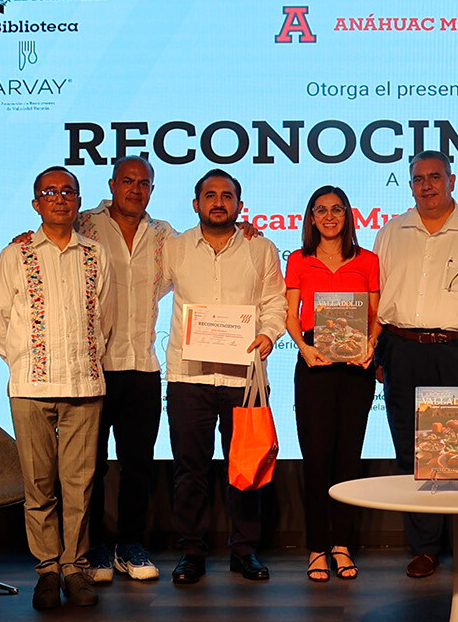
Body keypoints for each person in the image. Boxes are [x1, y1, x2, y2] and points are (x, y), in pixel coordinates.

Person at [0, 166, 112, 609]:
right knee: (39, 485)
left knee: (79, 486)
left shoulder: (96, 255)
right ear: (36, 203)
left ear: (79, 201)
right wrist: (29, 363)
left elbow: (105, 321)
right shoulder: (15, 255)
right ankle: (46, 570)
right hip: (30, 387)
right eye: (49, 192)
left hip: (84, 384)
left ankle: (75, 568)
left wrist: (81, 359)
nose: (60, 198)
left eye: (68, 191)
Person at [375, 150, 458, 579]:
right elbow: (380, 296)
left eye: (434, 177)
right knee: (414, 452)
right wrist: (379, 351)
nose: (426, 185)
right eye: (418, 179)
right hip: (404, 348)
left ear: (452, 179)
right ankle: (425, 547)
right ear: (409, 184)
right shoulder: (392, 231)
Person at [161, 168, 286, 585]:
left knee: (246, 469)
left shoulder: (260, 247)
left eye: (227, 195)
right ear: (195, 204)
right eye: (210, 195)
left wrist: (269, 334)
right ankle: (191, 552)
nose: (219, 202)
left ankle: (244, 551)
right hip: (187, 375)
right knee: (189, 469)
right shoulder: (174, 248)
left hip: (244, 378)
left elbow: (275, 301)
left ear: (239, 204)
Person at [72, 156, 174, 583]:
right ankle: (92, 548)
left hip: (143, 366)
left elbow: (208, 252)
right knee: (89, 464)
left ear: (152, 188)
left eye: (144, 183)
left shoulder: (165, 234)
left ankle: (130, 545)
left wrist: (246, 231)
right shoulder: (82, 225)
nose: (136, 189)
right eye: (128, 181)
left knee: (139, 463)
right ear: (112, 184)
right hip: (92, 367)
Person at [283, 185, 381, 582]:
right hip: (314, 366)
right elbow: (291, 315)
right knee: (317, 459)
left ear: (347, 216)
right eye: (320, 209)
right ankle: (316, 547)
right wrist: (304, 348)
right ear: (310, 217)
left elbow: (377, 314)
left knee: (347, 459)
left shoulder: (368, 260)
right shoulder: (300, 261)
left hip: (356, 371)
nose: (328, 216)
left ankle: (341, 545)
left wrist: (372, 344)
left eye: (337, 209)